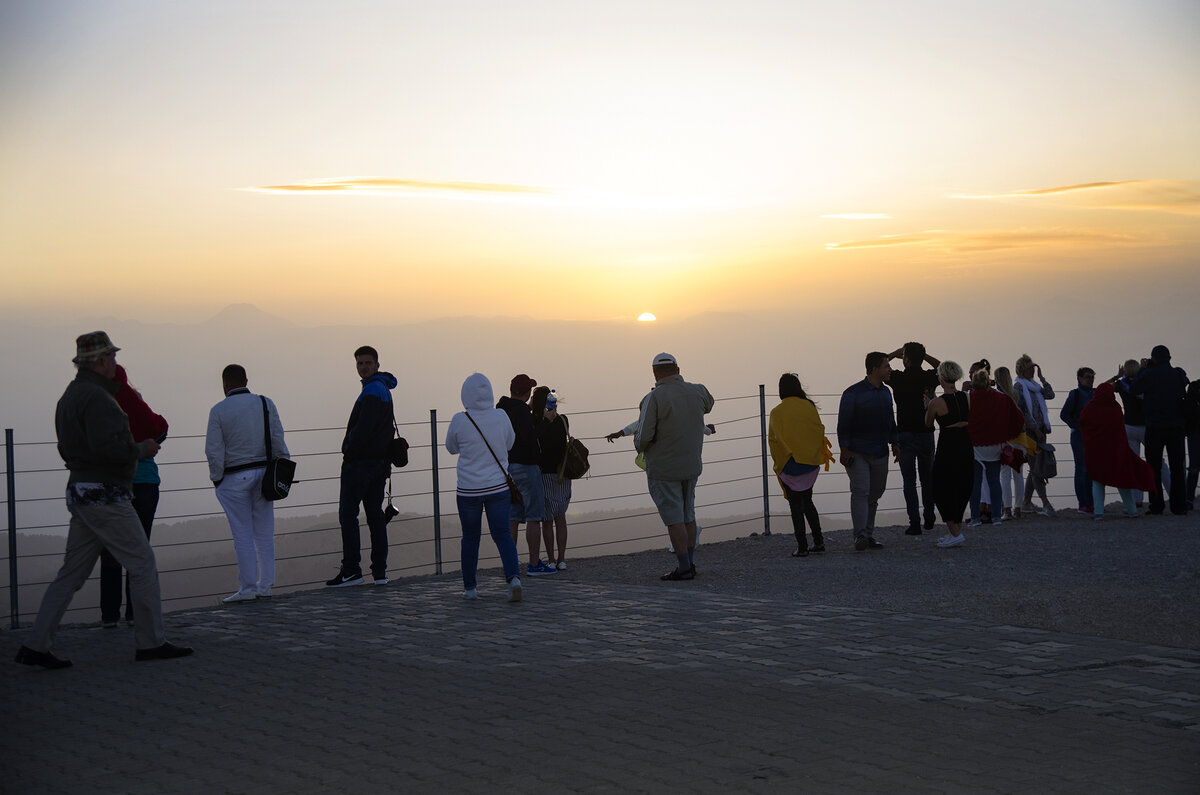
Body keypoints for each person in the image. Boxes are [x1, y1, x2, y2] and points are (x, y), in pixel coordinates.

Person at [16, 332, 192, 668]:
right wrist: (142, 449)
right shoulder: (98, 398)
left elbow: (68, 448)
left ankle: (36, 645)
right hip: (107, 495)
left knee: (70, 574)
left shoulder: (69, 396)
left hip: (81, 492)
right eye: (110, 357)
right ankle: (151, 642)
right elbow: (109, 450)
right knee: (142, 564)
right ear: (98, 361)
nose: (115, 362)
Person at [205, 364, 289, 603]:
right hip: (264, 475)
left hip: (233, 477)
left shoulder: (218, 411)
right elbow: (278, 438)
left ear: (225, 384)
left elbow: (213, 450)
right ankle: (266, 585)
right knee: (264, 532)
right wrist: (282, 467)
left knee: (241, 533)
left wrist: (217, 479)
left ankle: (248, 588)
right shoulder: (265, 403)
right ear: (246, 380)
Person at [99, 364, 168, 627]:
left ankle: (109, 615)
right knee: (139, 549)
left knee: (110, 547)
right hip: (145, 484)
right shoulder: (136, 404)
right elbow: (160, 428)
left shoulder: (97, 406)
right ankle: (134, 614)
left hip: (110, 484)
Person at [634, 352, 714, 580]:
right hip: (691, 463)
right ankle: (691, 562)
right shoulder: (698, 391)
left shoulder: (654, 398)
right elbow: (709, 405)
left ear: (654, 373)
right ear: (678, 369)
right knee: (689, 514)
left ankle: (684, 567)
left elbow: (643, 436)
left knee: (674, 517)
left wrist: (639, 446)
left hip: (664, 467)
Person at [444, 373, 523, 602]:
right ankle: (514, 579)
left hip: (468, 489)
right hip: (498, 487)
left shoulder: (460, 419)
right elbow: (510, 443)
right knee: (503, 535)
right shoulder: (501, 416)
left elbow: (451, 447)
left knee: (470, 538)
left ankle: (470, 589)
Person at [327, 346, 398, 587]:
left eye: (367, 363)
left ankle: (351, 571)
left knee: (348, 515)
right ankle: (380, 572)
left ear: (377, 364)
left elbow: (364, 429)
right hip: (379, 464)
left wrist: (348, 448)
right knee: (375, 516)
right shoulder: (384, 389)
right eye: (360, 363)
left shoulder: (371, 391)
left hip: (360, 465)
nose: (363, 367)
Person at [837, 352, 900, 551]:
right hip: (857, 451)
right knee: (861, 491)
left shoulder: (886, 392)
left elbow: (890, 419)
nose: (889, 370)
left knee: (875, 493)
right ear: (875, 369)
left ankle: (868, 534)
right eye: (886, 366)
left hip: (880, 451)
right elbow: (843, 423)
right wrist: (844, 449)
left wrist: (895, 443)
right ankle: (860, 535)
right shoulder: (852, 393)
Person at [768, 373, 833, 556]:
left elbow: (775, 441)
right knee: (808, 502)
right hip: (810, 463)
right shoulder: (809, 407)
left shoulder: (777, 412)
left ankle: (802, 547)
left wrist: (783, 461)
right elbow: (817, 431)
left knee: (796, 507)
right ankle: (819, 542)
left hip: (790, 465)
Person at [1122, 345, 1189, 515]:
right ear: (1169, 358)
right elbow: (1184, 385)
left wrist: (1144, 369)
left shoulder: (1149, 374)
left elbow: (1134, 388)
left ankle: (1157, 505)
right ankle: (1179, 506)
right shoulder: (1178, 373)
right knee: (1177, 468)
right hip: (1176, 427)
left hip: (1155, 427)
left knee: (1154, 467)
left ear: (1153, 359)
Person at [498, 375, 553, 575]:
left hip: (508, 468)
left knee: (512, 517)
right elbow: (530, 437)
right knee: (533, 517)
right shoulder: (521, 411)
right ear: (526, 392)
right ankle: (534, 563)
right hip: (527, 468)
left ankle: (510, 564)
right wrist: (546, 421)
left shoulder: (501, 409)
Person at [886, 342, 941, 535]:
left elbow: (882, 366)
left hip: (905, 433)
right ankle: (930, 515)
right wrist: (924, 356)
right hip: (926, 432)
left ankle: (915, 522)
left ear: (905, 359)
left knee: (908, 480)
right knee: (927, 478)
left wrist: (894, 353)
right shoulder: (928, 377)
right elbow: (943, 367)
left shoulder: (898, 378)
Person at [1080, 382, 1155, 519]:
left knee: (1097, 480)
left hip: (1096, 451)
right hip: (1115, 451)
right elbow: (1120, 430)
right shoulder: (1115, 408)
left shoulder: (1090, 408)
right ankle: (1132, 510)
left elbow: (1082, 422)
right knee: (1122, 479)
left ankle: (1098, 513)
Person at [967, 367, 1025, 528]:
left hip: (975, 446)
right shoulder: (1002, 398)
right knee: (994, 481)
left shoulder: (968, 399)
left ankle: (975, 518)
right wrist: (1007, 436)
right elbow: (1018, 420)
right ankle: (996, 517)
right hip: (996, 445)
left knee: (976, 483)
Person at [925, 361, 972, 547]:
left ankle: (955, 532)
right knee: (962, 484)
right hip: (966, 442)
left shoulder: (936, 403)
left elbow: (928, 424)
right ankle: (956, 530)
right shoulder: (967, 397)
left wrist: (928, 405)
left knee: (941, 487)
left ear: (941, 378)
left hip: (948, 444)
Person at [1013, 354, 1057, 517]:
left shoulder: (1035, 385)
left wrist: (1042, 378)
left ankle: (1026, 502)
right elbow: (1023, 410)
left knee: (1035, 467)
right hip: (1031, 432)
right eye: (1030, 367)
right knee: (1036, 467)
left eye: (1033, 367)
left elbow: (1050, 394)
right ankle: (1045, 503)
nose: (1032, 370)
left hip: (1041, 430)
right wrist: (1035, 428)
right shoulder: (1018, 387)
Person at [535, 389, 573, 571]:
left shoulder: (540, 424)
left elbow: (544, 443)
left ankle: (551, 559)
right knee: (560, 518)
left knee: (548, 520)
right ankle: (561, 559)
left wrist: (547, 420)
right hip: (563, 474)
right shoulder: (564, 420)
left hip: (547, 475)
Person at [1060, 367, 1097, 514]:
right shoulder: (1075, 394)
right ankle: (1083, 503)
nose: (1090, 380)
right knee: (1081, 469)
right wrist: (1078, 425)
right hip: (1079, 436)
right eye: (1088, 377)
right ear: (1079, 378)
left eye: (1092, 377)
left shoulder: (1095, 394)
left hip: (1094, 436)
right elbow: (1064, 415)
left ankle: (1093, 502)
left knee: (1092, 470)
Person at [992, 367, 1026, 521]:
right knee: (1018, 474)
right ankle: (1018, 508)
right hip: (1020, 437)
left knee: (1004, 475)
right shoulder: (1016, 394)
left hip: (1005, 438)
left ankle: (1006, 510)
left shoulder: (996, 396)